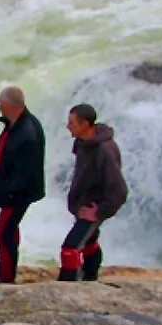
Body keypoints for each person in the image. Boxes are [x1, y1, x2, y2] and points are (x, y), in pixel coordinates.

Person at [0, 85, 45, 284]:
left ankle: (7, 278)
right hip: (12, 191)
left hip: (18, 195)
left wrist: (7, 193)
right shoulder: (16, 124)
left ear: (7, 105)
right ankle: (5, 265)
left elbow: (26, 173)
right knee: (9, 229)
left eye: (0, 104)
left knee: (3, 232)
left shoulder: (27, 132)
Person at [59, 103, 127, 282]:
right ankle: (90, 279)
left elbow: (119, 190)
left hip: (94, 207)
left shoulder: (104, 150)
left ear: (85, 125)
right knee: (89, 243)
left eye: (72, 123)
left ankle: (65, 288)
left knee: (70, 248)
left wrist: (98, 212)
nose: (68, 127)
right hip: (84, 204)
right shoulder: (83, 143)